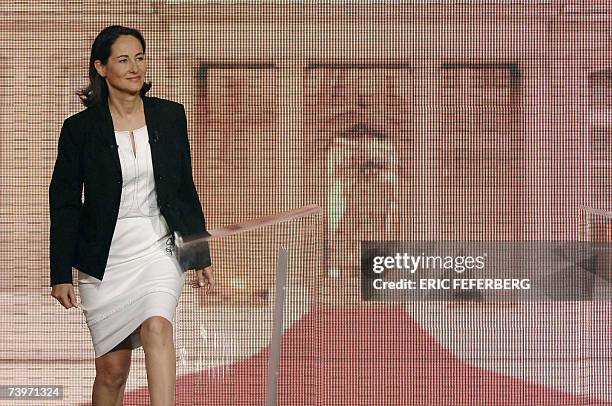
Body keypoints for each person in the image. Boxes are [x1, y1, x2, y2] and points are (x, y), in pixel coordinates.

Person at [49, 25, 214, 405]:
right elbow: (65, 202)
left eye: (140, 57)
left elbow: (183, 189)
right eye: (123, 60)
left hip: (157, 247)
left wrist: (196, 250)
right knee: (112, 372)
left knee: (158, 327)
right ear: (101, 68)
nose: (135, 67)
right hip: (104, 257)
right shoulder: (79, 129)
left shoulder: (170, 116)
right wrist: (61, 273)